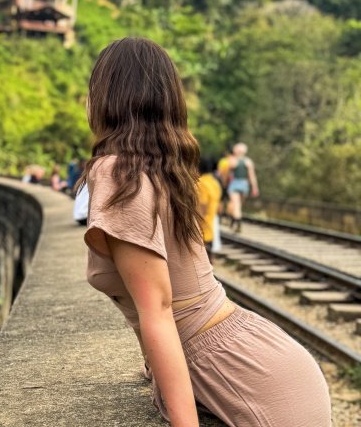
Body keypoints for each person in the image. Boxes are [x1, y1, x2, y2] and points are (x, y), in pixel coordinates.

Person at [82, 38, 329, 427]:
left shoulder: (117, 174)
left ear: (104, 98)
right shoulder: (164, 172)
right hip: (259, 361)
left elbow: (159, 310)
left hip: (241, 374)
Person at [226, 142, 259, 233]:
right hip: (244, 185)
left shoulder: (232, 161)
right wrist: (255, 187)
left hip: (234, 184)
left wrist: (225, 183)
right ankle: (234, 221)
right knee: (239, 205)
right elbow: (252, 176)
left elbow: (227, 174)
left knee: (235, 205)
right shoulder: (248, 162)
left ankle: (237, 223)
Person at [196, 157, 222, 263]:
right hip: (211, 220)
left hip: (203, 223)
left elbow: (202, 204)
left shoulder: (201, 182)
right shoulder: (214, 182)